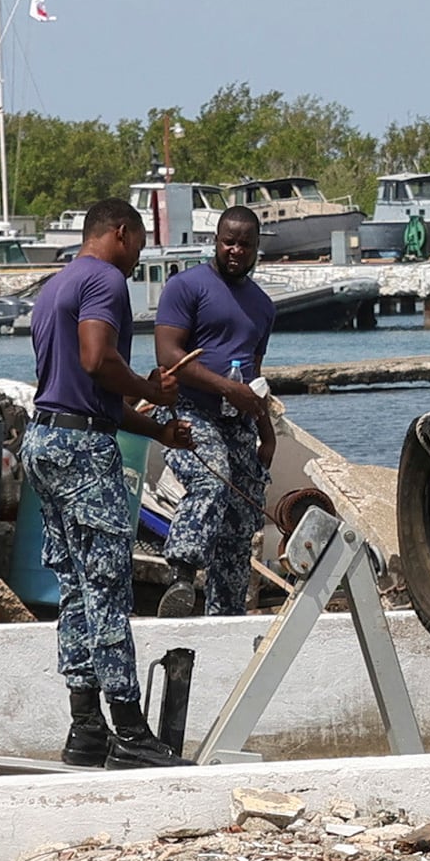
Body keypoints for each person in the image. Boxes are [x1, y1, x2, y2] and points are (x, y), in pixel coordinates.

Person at [24, 196, 195, 768]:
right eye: (140, 244)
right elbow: (98, 361)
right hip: (81, 453)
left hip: (46, 441)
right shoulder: (104, 280)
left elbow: (82, 393)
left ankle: (85, 729)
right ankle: (129, 731)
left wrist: (155, 428)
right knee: (107, 589)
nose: (138, 258)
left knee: (73, 590)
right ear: (120, 233)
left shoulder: (53, 288)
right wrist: (154, 391)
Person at [146, 203, 287, 614]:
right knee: (213, 480)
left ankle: (226, 612)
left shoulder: (263, 305)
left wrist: (267, 430)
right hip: (189, 409)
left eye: (245, 244)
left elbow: (254, 374)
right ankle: (182, 574)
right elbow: (167, 354)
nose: (236, 251)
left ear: (257, 247)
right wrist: (226, 387)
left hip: (238, 418)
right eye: (229, 242)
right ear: (216, 241)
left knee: (243, 515)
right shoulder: (186, 287)